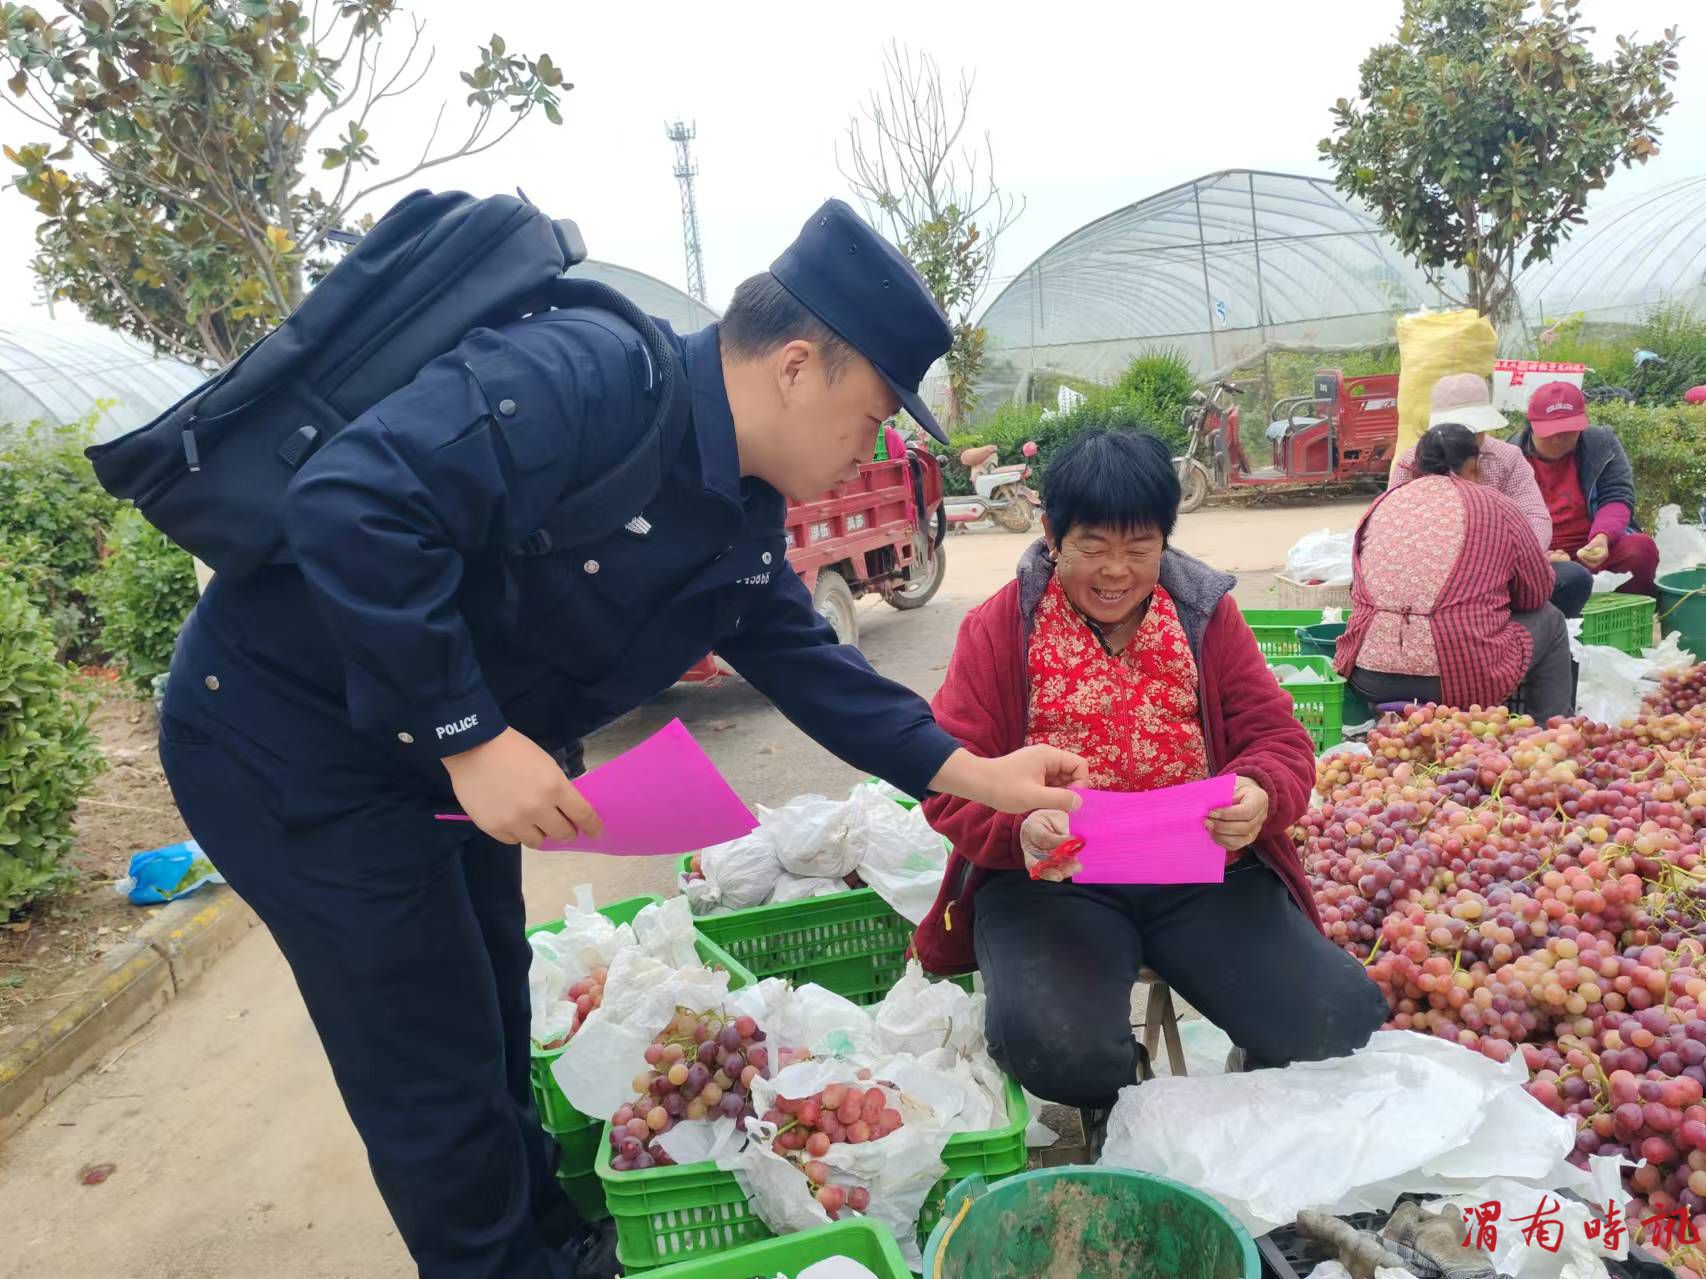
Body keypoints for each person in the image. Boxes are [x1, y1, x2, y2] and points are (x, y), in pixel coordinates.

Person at [156, 199, 1087, 1279]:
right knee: (430, 1068)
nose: (869, 447)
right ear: (797, 367)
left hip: (427, 765)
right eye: (873, 413)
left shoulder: (733, 512)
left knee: (496, 1016)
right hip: (289, 743)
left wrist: (982, 773)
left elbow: (814, 671)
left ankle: (557, 1245)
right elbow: (350, 505)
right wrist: (468, 734)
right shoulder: (584, 375)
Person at [912, 429, 1388, 1118]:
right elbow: (950, 773)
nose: (1115, 571)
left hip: (1201, 873)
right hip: (1052, 881)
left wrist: (1259, 791)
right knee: (1055, 1048)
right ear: (1052, 536)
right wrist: (1022, 827)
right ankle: (1118, 1088)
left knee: (1336, 1022)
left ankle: (1249, 1064)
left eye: (1139, 548)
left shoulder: (1204, 616)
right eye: (1093, 546)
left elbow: (1276, 735)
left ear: (1166, 540)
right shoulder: (999, 629)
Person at [1336, 424, 1574, 720]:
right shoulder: (1495, 505)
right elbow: (1535, 593)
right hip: (1458, 683)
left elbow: (1357, 588)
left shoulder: (1383, 503)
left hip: (1369, 676)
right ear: (1473, 465)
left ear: (1417, 466)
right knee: (1550, 619)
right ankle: (1547, 732)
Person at [1388, 373, 1588, 616]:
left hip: (1503, 570)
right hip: (1431, 575)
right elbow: (1392, 527)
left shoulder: (1508, 458)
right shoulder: (1410, 464)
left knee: (1573, 578)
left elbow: (1535, 516)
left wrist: (1523, 559)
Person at [1517, 380, 1660, 599]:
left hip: (1591, 547)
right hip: (1537, 554)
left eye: (1568, 431)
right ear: (1531, 425)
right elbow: (1501, 522)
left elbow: (1617, 496)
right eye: (1550, 432)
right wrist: (1537, 555)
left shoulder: (1600, 443)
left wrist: (1602, 537)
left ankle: (1626, 616)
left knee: (1641, 549)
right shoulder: (1510, 456)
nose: (1558, 439)